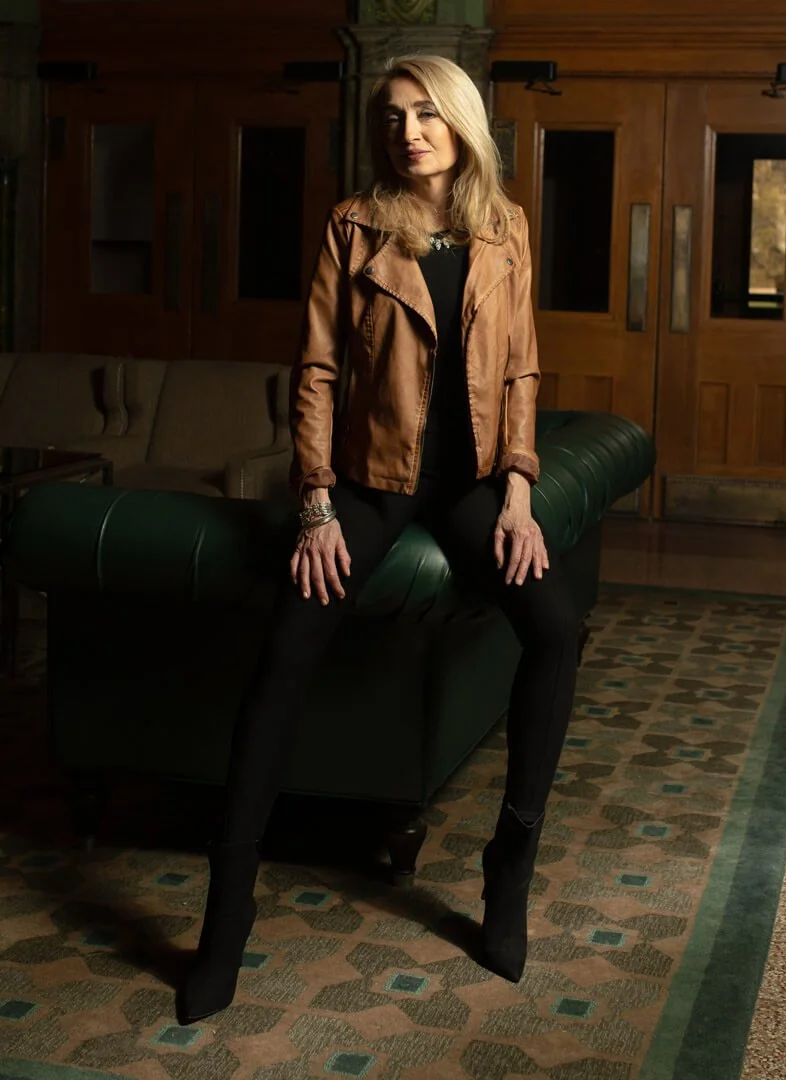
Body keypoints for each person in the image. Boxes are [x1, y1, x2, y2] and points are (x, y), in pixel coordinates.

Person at [177, 53, 579, 1025]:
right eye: (393, 116)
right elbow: (314, 370)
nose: (407, 131)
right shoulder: (353, 226)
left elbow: (522, 368)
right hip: (371, 479)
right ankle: (225, 921)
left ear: (461, 122)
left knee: (557, 629)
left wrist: (520, 489)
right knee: (285, 651)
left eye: (426, 113)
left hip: (476, 481)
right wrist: (314, 501)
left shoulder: (506, 227)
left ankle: (508, 865)